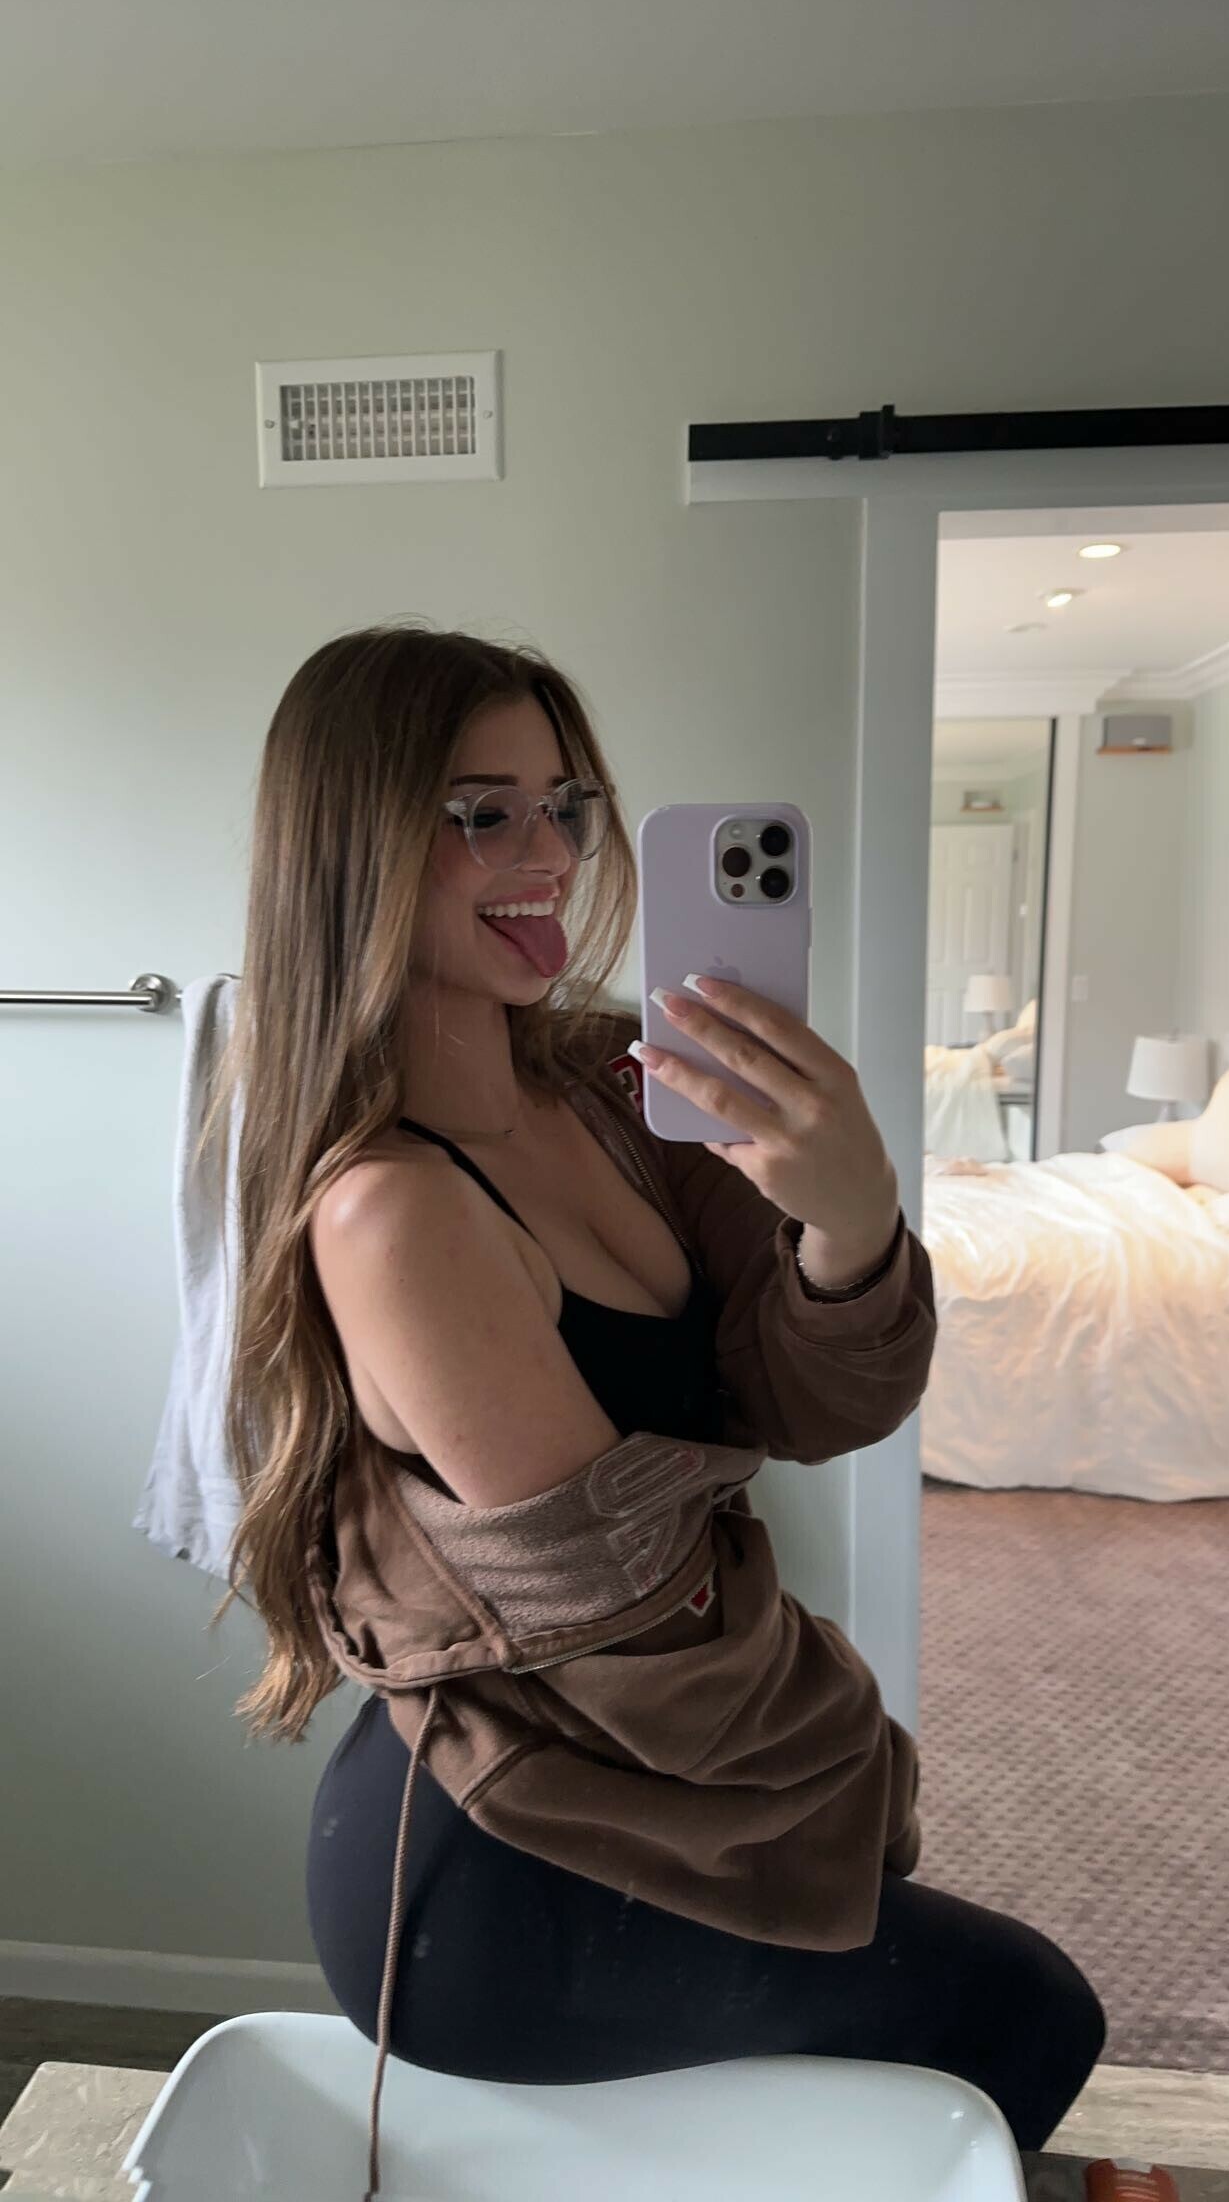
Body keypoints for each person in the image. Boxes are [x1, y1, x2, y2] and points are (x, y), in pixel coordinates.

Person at [204, 622, 1105, 2196]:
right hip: (498, 1863)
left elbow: (815, 1404)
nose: (550, 855)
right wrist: (855, 1760)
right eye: (480, 812)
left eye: (565, 805)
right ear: (351, 847)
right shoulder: (394, 1213)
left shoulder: (609, 1083)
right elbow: (632, 1624)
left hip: (646, 1786)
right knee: (1020, 2019)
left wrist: (848, 1221)